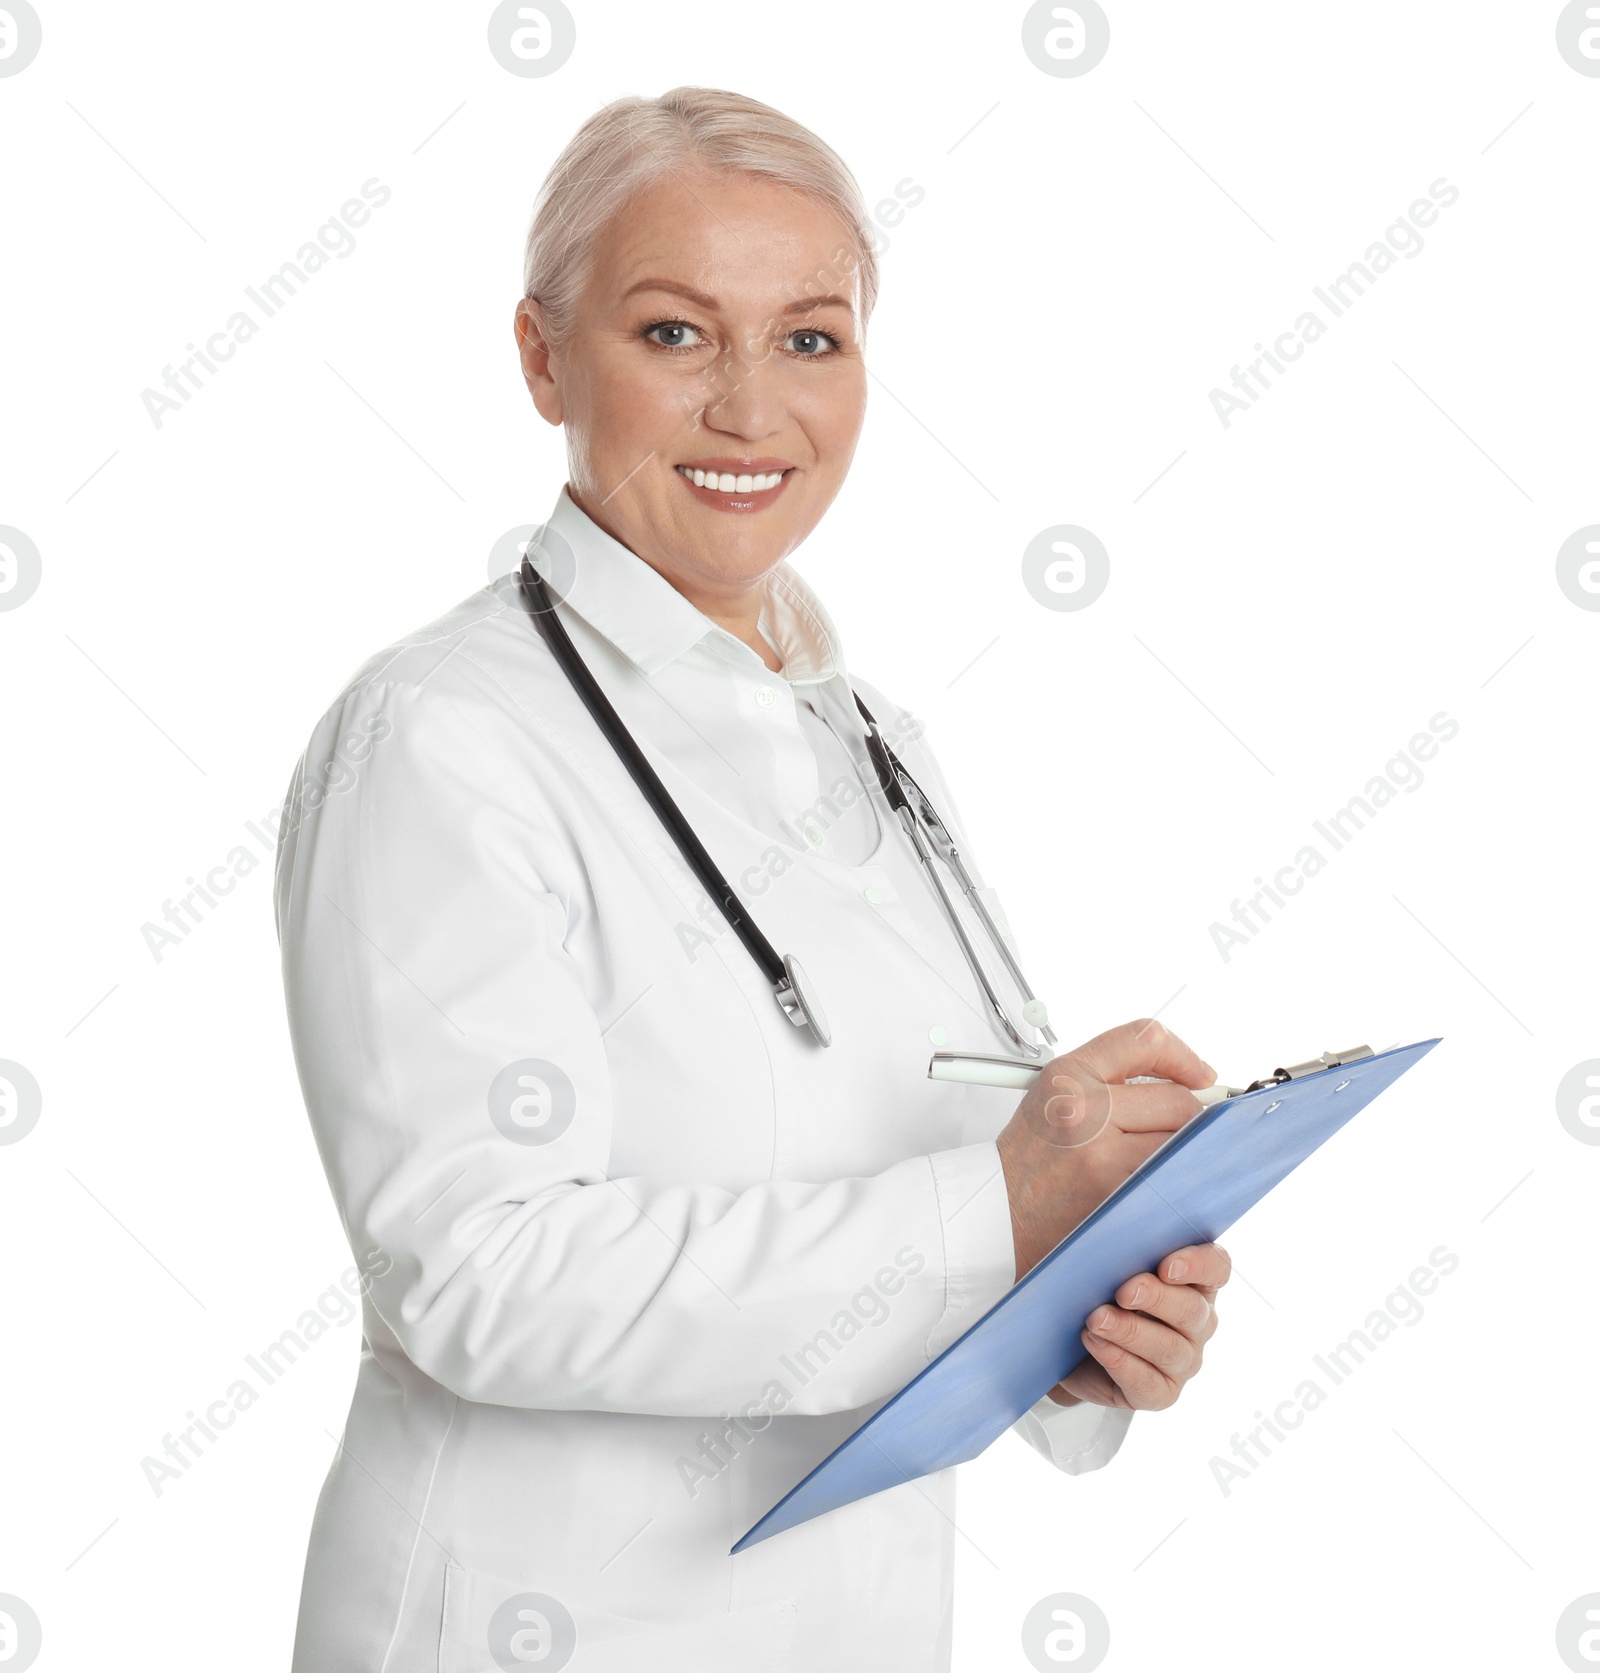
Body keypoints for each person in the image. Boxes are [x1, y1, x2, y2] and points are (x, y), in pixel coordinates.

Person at [273, 84, 1231, 1673]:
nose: (749, 407)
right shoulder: (439, 737)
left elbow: (934, 1174)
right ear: (540, 357)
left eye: (809, 338)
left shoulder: (877, 739)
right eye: (671, 333)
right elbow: (478, 1270)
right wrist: (990, 1213)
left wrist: (1072, 1320)